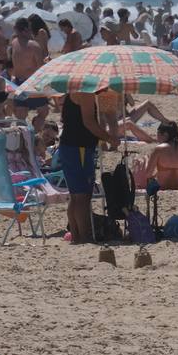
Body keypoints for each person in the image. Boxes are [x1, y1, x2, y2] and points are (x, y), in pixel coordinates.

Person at [60, 91, 116, 244]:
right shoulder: (85, 93)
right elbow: (89, 122)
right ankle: (84, 237)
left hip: (73, 146)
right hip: (79, 147)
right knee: (83, 196)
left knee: (76, 196)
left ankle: (77, 237)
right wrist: (110, 138)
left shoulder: (75, 92)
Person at [142, 121, 178, 190]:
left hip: (163, 186)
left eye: (158, 134)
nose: (156, 137)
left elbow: (148, 174)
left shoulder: (159, 149)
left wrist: (145, 163)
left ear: (166, 134)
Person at [9, 18, 47, 85]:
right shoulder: (34, 46)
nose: (31, 32)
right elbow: (41, 68)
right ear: (25, 30)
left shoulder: (13, 42)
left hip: (17, 82)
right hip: (31, 82)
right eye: (30, 29)